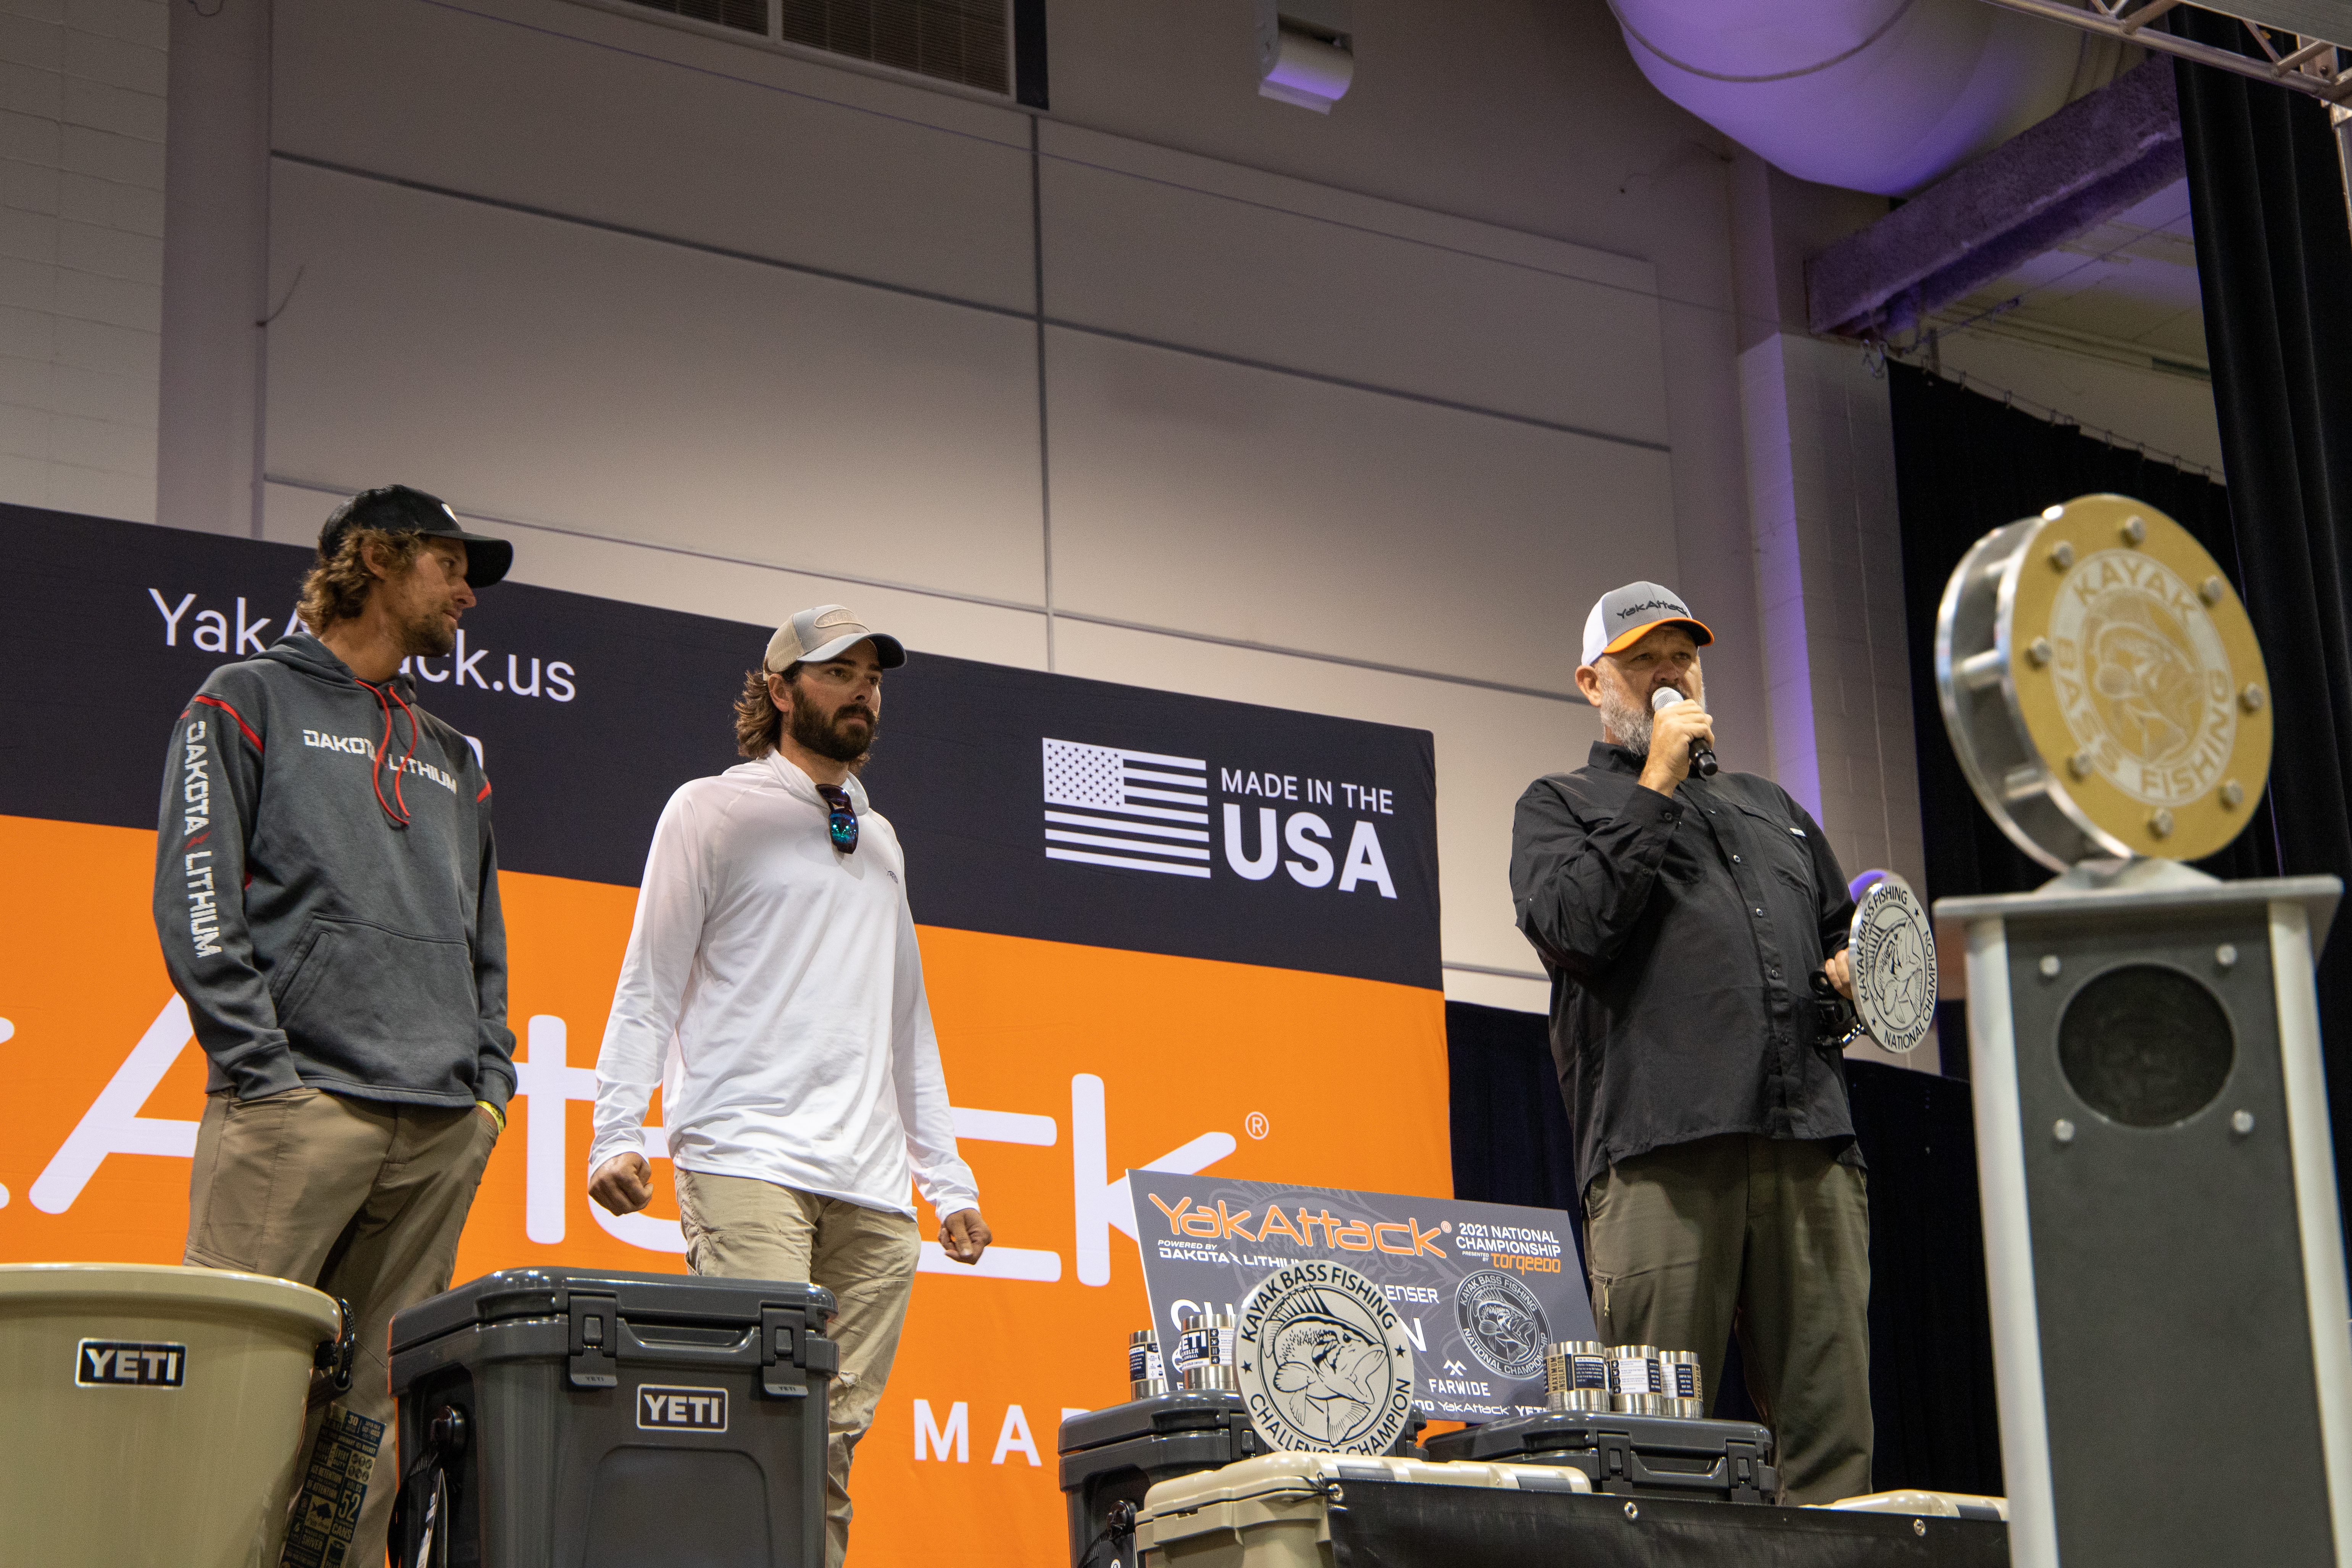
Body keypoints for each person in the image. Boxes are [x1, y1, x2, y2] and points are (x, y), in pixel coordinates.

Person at [154, 484, 516, 1564]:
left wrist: (486, 1086)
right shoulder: (243, 696)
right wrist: (261, 1068)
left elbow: (484, 935)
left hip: (438, 1123)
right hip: (295, 1106)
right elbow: (198, 890)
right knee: (231, 1387)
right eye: (450, 565)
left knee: (367, 1417)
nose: (466, 594)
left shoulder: (453, 753)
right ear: (377, 558)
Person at [587, 604, 990, 1568]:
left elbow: (908, 1026)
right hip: (748, 1159)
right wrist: (616, 1131)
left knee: (829, 1445)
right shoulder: (712, 810)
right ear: (778, 691)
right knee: (758, 1424)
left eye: (873, 676)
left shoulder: (882, 841)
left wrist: (952, 1180)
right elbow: (649, 982)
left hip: (874, 1191)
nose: (863, 691)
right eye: (838, 672)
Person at [1508, 580, 1870, 1504]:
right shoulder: (1560, 804)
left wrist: (1850, 974)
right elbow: (1577, 929)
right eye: (1643, 663)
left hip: (1808, 1146)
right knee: (1658, 1453)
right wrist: (1657, 782)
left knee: (1831, 1447)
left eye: (1683, 658)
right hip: (1660, 1153)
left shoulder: (1774, 807)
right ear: (1593, 682)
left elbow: (1842, 941)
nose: (1669, 675)